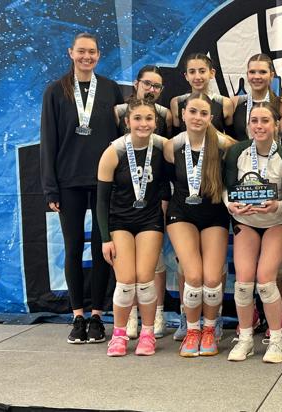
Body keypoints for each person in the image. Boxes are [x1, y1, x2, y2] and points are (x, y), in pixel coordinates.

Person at [40, 32, 123, 344]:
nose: (87, 57)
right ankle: (77, 316)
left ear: (99, 55)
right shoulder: (55, 91)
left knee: (103, 249)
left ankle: (98, 315)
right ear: (70, 53)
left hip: (104, 183)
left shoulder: (111, 89)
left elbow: (121, 138)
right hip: (69, 182)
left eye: (92, 52)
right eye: (81, 51)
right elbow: (48, 141)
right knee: (73, 247)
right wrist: (51, 188)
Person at [225, 102, 282, 363]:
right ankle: (245, 339)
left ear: (276, 125)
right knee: (244, 283)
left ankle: (276, 341)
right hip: (245, 220)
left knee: (266, 281)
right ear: (248, 125)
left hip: (276, 221)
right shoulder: (237, 152)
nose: (259, 126)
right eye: (254, 120)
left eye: (265, 120)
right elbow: (227, 189)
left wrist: (277, 205)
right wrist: (229, 204)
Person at [170, 54, 234, 341]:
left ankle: (211, 323)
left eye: (203, 113)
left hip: (214, 210)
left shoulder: (223, 142)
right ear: (183, 114)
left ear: (211, 117)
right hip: (182, 211)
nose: (197, 117)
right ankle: (190, 323)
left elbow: (242, 154)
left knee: (212, 275)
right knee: (191, 273)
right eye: (192, 112)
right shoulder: (171, 146)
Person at [97, 97, 167, 356]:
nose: (143, 124)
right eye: (137, 118)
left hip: (149, 221)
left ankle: (147, 333)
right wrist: (105, 238)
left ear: (156, 122)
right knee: (126, 281)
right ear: (127, 121)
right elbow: (101, 201)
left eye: (149, 118)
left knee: (145, 280)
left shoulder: (162, 146)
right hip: (120, 222)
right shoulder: (113, 152)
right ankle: (119, 334)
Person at [114, 65, 172, 340]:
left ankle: (157, 312)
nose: (151, 89)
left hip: (153, 197)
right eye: (147, 83)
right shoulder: (117, 112)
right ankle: (131, 317)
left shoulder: (165, 115)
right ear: (136, 84)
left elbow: (166, 163)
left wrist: (164, 200)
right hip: (125, 198)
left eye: (156, 86)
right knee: (127, 266)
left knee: (153, 261)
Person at [230, 53, 282, 142]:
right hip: (241, 151)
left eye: (263, 72)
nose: (257, 76)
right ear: (247, 75)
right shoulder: (235, 103)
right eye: (252, 72)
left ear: (271, 75)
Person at [170, 53, 234, 134]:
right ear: (186, 76)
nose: (197, 77)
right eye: (192, 72)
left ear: (212, 73)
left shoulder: (225, 103)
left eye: (202, 71)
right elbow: (175, 137)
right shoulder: (176, 102)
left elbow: (231, 138)